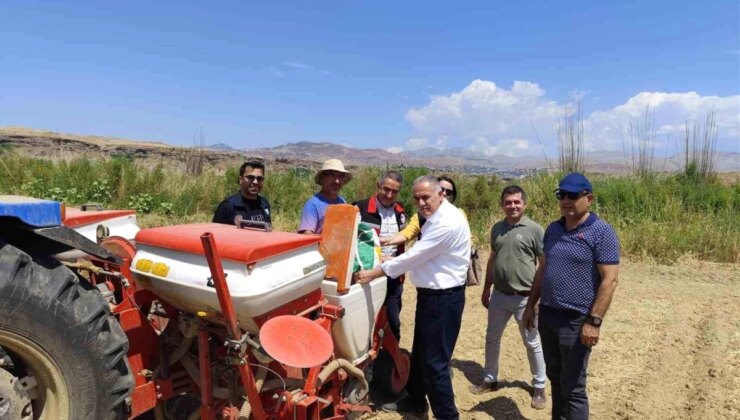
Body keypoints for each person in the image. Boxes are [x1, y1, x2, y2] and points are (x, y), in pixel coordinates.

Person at [354, 176, 470, 420]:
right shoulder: (434, 216)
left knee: (435, 364)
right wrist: (386, 256)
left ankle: (448, 416)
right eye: (417, 198)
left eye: (426, 197)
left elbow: (415, 256)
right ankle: (416, 401)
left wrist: (376, 270)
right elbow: (416, 249)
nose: (421, 203)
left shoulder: (447, 222)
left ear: (441, 194)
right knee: (419, 353)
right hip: (431, 296)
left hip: (443, 298)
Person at [523, 173, 620, 420]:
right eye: (561, 195)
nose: (565, 200)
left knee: (574, 386)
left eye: (572, 195)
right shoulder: (554, 229)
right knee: (556, 379)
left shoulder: (601, 232)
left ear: (589, 198)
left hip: (577, 320)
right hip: (549, 315)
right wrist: (531, 305)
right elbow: (542, 269)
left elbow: (610, 280)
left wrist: (594, 321)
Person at [470, 185, 547, 410]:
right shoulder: (497, 229)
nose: (512, 206)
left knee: (532, 342)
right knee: (492, 338)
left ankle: (539, 385)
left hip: (526, 299)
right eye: (508, 202)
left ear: (525, 204)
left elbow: (544, 264)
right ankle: (490, 378)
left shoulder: (534, 230)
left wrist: (537, 299)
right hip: (499, 296)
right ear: (502, 205)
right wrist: (486, 288)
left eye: (517, 202)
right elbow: (493, 259)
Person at [352, 171, 407, 340]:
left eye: (395, 191)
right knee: (365, 319)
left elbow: (403, 240)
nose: (390, 195)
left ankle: (391, 359)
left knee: (392, 319)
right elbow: (351, 242)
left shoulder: (400, 212)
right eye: (386, 189)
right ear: (378, 186)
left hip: (392, 274)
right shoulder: (359, 208)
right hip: (367, 275)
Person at [379, 175, 460, 246]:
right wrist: (379, 241)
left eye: (449, 192)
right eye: (442, 189)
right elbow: (407, 233)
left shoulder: (458, 215)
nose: (444, 193)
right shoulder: (421, 215)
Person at [298, 159, 352, 234]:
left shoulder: (342, 202)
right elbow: (307, 234)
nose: (337, 181)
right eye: (331, 175)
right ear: (322, 178)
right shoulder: (313, 204)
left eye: (340, 176)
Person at [212, 161, 271, 225]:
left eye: (259, 178)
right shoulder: (228, 206)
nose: (255, 182)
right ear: (241, 179)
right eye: (250, 177)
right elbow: (216, 233)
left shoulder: (264, 204)